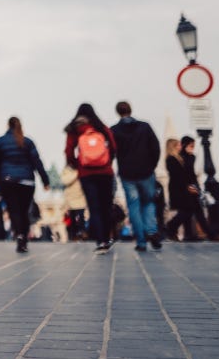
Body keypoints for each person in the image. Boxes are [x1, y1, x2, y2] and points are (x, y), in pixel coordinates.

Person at [64, 103, 118, 254]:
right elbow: (113, 147)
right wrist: (107, 161)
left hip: (86, 174)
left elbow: (68, 151)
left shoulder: (75, 129)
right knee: (106, 206)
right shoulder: (101, 127)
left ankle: (100, 241)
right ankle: (107, 238)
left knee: (94, 207)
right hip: (105, 172)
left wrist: (77, 164)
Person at [0, 117, 50, 253]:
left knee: (14, 211)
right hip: (27, 181)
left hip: (8, 181)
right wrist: (45, 180)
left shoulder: (0, 142)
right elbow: (37, 162)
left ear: (8, 125)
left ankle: (20, 236)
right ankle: (24, 238)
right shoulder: (27, 142)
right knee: (24, 211)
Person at [110, 102, 163, 252]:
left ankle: (141, 241)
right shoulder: (144, 127)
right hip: (146, 172)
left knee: (134, 206)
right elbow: (156, 147)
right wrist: (151, 165)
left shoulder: (114, 130)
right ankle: (152, 231)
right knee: (149, 203)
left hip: (127, 174)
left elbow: (111, 153)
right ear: (130, 110)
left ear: (118, 112)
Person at [164, 137, 209, 241]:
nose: (181, 147)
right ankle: (171, 225)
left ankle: (187, 234)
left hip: (184, 188)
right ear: (173, 147)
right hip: (179, 189)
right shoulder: (171, 159)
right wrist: (188, 187)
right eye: (178, 145)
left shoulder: (179, 158)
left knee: (187, 211)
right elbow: (179, 176)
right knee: (187, 211)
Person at [61, 166, 86, 241]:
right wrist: (77, 173)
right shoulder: (66, 170)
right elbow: (65, 181)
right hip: (71, 199)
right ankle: (73, 235)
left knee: (81, 217)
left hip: (80, 198)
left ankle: (82, 232)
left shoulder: (81, 168)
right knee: (72, 219)